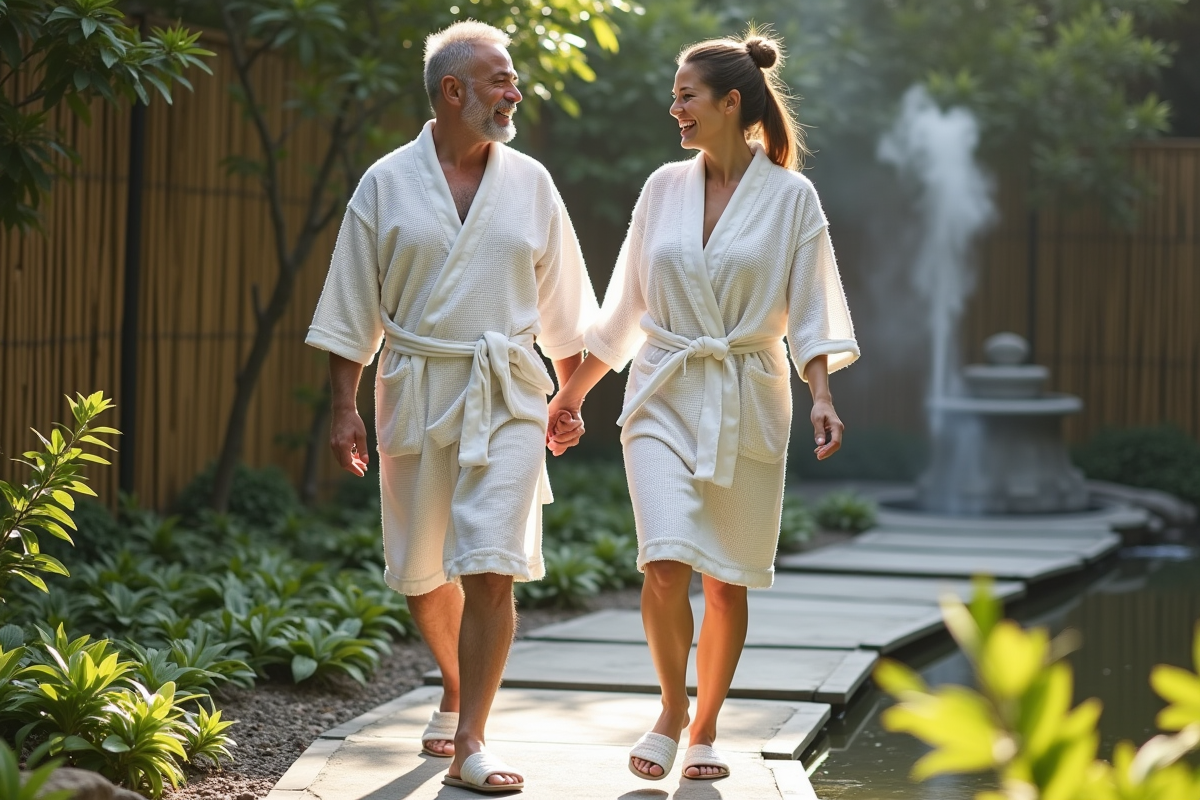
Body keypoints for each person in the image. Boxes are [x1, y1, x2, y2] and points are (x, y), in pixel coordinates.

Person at [547, 30, 858, 782]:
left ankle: (708, 727)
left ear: (729, 103)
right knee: (663, 560)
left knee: (724, 577)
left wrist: (821, 393)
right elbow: (624, 308)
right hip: (663, 389)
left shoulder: (792, 198)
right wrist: (573, 392)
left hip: (749, 395)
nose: (674, 107)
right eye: (676, 95)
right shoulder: (661, 189)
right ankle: (669, 709)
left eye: (686, 95)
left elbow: (812, 310)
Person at [306, 20, 596, 794]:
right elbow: (351, 303)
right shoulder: (386, 183)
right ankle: (456, 681)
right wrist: (344, 405)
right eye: (501, 80)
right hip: (418, 384)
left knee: (492, 564)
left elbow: (563, 300)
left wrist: (567, 394)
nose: (515, 92)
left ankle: (473, 740)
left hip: (505, 391)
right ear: (453, 91)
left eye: (513, 80)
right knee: (422, 570)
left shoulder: (530, 181)